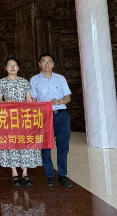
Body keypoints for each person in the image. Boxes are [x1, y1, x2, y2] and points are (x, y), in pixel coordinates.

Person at [0, 57, 42, 187]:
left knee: (24, 143)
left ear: (18, 68)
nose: (12, 67)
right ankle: (14, 173)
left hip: (23, 118)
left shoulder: (24, 82)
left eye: (15, 65)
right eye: (10, 65)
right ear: (6, 68)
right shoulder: (2, 82)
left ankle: (25, 174)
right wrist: (6, 102)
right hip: (9, 119)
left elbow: (29, 101)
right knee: (11, 144)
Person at [30, 52, 73, 188]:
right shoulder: (34, 80)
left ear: (53, 64)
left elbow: (68, 97)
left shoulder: (60, 78)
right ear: (39, 64)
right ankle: (49, 175)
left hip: (61, 115)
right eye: (44, 61)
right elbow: (33, 100)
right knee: (46, 146)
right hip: (45, 116)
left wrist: (60, 101)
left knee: (63, 146)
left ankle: (62, 175)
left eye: (49, 61)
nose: (47, 64)